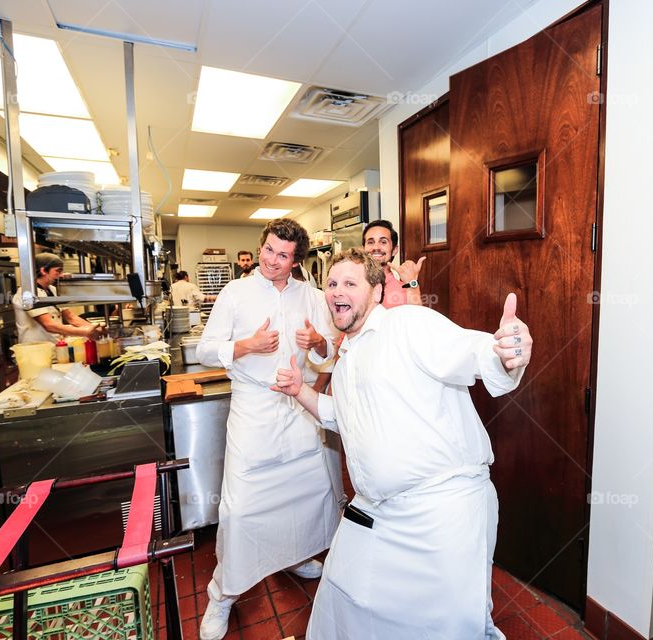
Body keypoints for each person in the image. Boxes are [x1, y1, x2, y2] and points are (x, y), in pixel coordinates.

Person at [272, 247, 533, 639]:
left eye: (349, 283)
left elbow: (475, 354)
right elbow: (343, 418)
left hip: (442, 513)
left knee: (447, 628)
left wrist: (508, 353)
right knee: (343, 602)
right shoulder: (347, 360)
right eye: (330, 283)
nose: (336, 291)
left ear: (376, 292)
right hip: (378, 513)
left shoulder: (409, 324)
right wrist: (299, 391)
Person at [196, 219, 341, 640]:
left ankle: (292, 556)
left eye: (283, 256)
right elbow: (207, 349)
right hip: (254, 409)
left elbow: (330, 349)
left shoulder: (311, 296)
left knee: (304, 496)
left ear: (297, 261)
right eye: (269, 250)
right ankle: (222, 596)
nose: (272, 261)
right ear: (261, 246)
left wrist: (316, 342)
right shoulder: (235, 293)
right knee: (240, 509)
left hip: (298, 407)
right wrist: (246, 346)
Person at [13, 252, 106, 343]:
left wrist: (95, 328)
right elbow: (48, 325)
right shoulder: (27, 292)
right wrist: (85, 332)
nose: (61, 275)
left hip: (54, 346)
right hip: (35, 350)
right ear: (43, 270)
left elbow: (70, 317)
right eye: (58, 270)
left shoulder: (53, 289)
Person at [362, 219, 426, 308]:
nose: (376, 247)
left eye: (383, 242)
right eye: (370, 242)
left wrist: (412, 283)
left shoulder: (405, 291)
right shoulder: (352, 284)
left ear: (394, 250)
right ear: (363, 249)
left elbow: (415, 320)